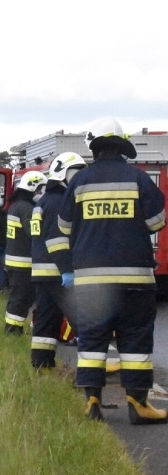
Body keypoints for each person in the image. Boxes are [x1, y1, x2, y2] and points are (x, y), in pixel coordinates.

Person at [55, 118, 166, 423]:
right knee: (135, 342)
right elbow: (157, 222)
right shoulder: (139, 179)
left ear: (95, 149)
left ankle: (91, 401)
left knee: (92, 341)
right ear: (122, 146)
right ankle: (139, 405)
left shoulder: (79, 182)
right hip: (135, 281)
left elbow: (64, 227)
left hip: (92, 282)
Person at [31, 152, 86, 370]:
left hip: (43, 273)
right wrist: (67, 270)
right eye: (76, 173)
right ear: (64, 174)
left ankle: (41, 364)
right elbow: (57, 241)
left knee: (46, 320)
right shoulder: (58, 202)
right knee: (83, 319)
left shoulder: (44, 200)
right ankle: (93, 366)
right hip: (57, 272)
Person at [3, 172, 46, 334]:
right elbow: (34, 233)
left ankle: (12, 328)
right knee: (21, 298)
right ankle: (13, 330)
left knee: (16, 297)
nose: (42, 193)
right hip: (23, 261)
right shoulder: (27, 209)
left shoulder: (15, 206)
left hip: (14, 261)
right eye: (40, 188)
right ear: (33, 187)